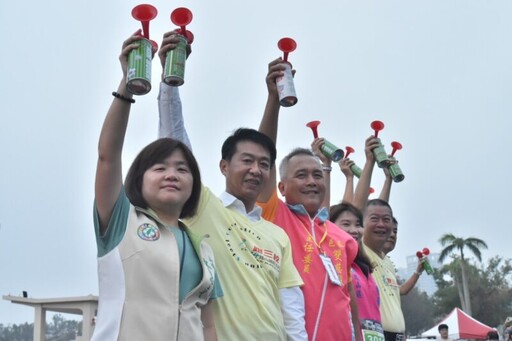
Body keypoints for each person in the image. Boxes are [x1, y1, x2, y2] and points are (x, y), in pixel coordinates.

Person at [157, 31, 305, 340]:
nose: (256, 170)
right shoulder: (204, 206)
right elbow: (174, 144)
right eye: (246, 161)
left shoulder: (277, 235)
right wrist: (169, 84)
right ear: (223, 166)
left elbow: (292, 311)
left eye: (264, 164)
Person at [92, 30, 221, 341]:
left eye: (182, 169)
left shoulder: (202, 248)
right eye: (159, 167)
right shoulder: (121, 220)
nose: (172, 174)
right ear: (138, 179)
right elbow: (108, 157)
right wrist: (127, 84)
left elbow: (209, 324)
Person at [256, 58, 360, 341]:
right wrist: (273, 100)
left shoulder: (339, 237)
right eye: (302, 175)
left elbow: (348, 303)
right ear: (280, 185)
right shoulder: (273, 215)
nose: (313, 181)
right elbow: (263, 155)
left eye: (318, 175)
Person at [329, 202, 383, 341]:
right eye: (346, 224)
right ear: (330, 226)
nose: (354, 230)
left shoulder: (364, 267)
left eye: (358, 225)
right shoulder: (333, 263)